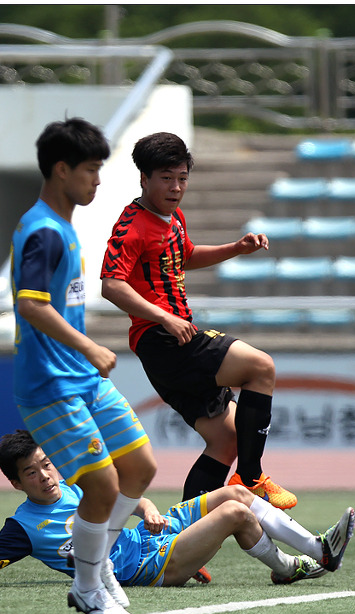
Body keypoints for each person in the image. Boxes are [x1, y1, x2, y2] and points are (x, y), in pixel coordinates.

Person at [9, 118, 157, 614]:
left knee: (140, 468)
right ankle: (88, 586)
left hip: (81, 378)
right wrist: (90, 346)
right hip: (50, 384)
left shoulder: (63, 226)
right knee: (102, 485)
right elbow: (31, 305)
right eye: (91, 170)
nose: (97, 180)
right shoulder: (44, 232)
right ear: (61, 169)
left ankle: (93, 560)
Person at [101, 131, 295, 509]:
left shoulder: (173, 218)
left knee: (226, 441)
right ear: (143, 178)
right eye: (166, 178)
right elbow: (111, 285)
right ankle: (251, 477)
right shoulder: (131, 226)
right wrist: (164, 317)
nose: (176, 187)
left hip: (174, 339)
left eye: (182, 178)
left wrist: (236, 248)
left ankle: (183, 536)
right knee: (260, 367)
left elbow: (185, 255)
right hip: (163, 339)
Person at [0, 430, 355, 595]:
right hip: (147, 567)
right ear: (16, 484)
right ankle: (294, 564)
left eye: (46, 465)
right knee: (234, 516)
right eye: (31, 473)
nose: (45, 476)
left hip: (151, 535)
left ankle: (314, 551)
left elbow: (132, 498)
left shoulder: (76, 485)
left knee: (235, 494)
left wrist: (147, 509)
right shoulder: (22, 528)